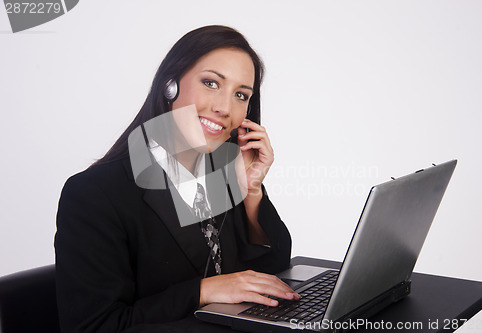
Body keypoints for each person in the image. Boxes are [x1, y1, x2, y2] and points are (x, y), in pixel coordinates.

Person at [54, 25, 299, 332]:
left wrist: (251, 191)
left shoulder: (222, 172)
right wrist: (202, 291)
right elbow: (94, 326)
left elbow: (272, 278)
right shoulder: (94, 194)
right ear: (170, 86)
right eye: (211, 83)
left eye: (240, 95)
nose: (225, 107)